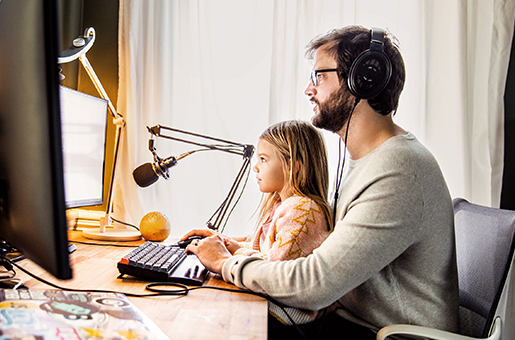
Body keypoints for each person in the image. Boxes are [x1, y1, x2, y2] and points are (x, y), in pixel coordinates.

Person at [183, 25, 459, 339]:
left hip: (388, 335)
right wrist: (237, 248)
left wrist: (224, 263)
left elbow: (313, 284)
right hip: (352, 323)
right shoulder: (367, 162)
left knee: (217, 322)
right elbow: (327, 259)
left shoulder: (399, 170)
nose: (308, 89)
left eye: (320, 76)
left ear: (363, 81)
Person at [223, 120, 333, 325]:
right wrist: (229, 244)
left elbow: (274, 271)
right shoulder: (283, 204)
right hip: (275, 307)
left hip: (287, 317)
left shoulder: (301, 211)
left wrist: (234, 253)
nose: (255, 166)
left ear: (293, 167)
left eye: (263, 159)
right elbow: (269, 249)